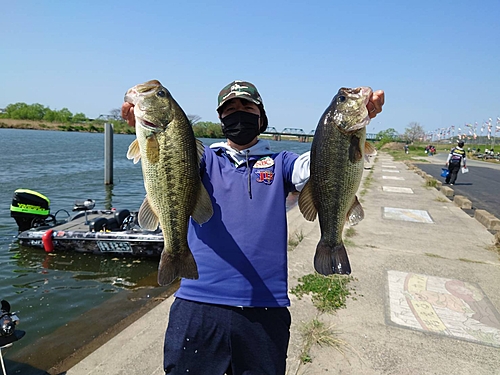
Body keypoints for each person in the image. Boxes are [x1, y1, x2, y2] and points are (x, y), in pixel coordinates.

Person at [122, 80, 385, 374]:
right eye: (230, 108)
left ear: (261, 116)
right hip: (197, 304)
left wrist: (354, 127)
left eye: (247, 106)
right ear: (221, 118)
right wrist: (145, 129)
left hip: (265, 309)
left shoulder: (281, 163)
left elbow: (317, 166)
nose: (238, 113)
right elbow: (171, 165)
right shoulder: (202, 160)